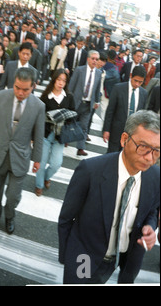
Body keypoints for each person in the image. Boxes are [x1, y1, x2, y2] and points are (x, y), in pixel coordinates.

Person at [59, 110, 160, 284]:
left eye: (157, 150)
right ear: (124, 139)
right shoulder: (90, 171)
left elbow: (151, 209)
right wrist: (67, 257)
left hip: (126, 259)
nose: (149, 158)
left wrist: (150, 227)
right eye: (143, 147)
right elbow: (66, 218)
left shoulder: (155, 176)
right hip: (86, 256)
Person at [0, 67, 45, 235]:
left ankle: (9, 217)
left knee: (13, 195)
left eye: (25, 89)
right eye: (17, 87)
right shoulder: (1, 97)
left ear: (33, 86)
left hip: (20, 157)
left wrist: (37, 159)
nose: (20, 92)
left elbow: (39, 135)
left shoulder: (38, 106)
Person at [35, 69, 75, 196]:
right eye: (59, 80)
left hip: (60, 136)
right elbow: (39, 116)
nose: (61, 83)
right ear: (54, 80)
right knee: (41, 163)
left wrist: (67, 127)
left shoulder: (69, 97)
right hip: (45, 134)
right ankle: (39, 185)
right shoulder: (46, 97)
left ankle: (47, 177)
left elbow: (73, 115)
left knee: (56, 164)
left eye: (64, 80)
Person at [103, 66, 148, 153]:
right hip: (116, 132)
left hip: (132, 135)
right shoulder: (118, 88)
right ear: (131, 76)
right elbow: (110, 111)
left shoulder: (144, 93)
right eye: (136, 81)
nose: (137, 84)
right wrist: (106, 130)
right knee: (112, 156)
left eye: (140, 82)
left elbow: (142, 116)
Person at [68, 50, 102, 156]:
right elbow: (71, 85)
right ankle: (65, 139)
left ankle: (80, 148)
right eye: (93, 58)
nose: (95, 61)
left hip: (88, 104)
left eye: (97, 59)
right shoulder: (79, 70)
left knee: (84, 126)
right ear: (88, 59)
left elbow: (97, 89)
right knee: (70, 122)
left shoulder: (98, 73)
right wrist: (68, 98)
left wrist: (97, 101)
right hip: (76, 101)